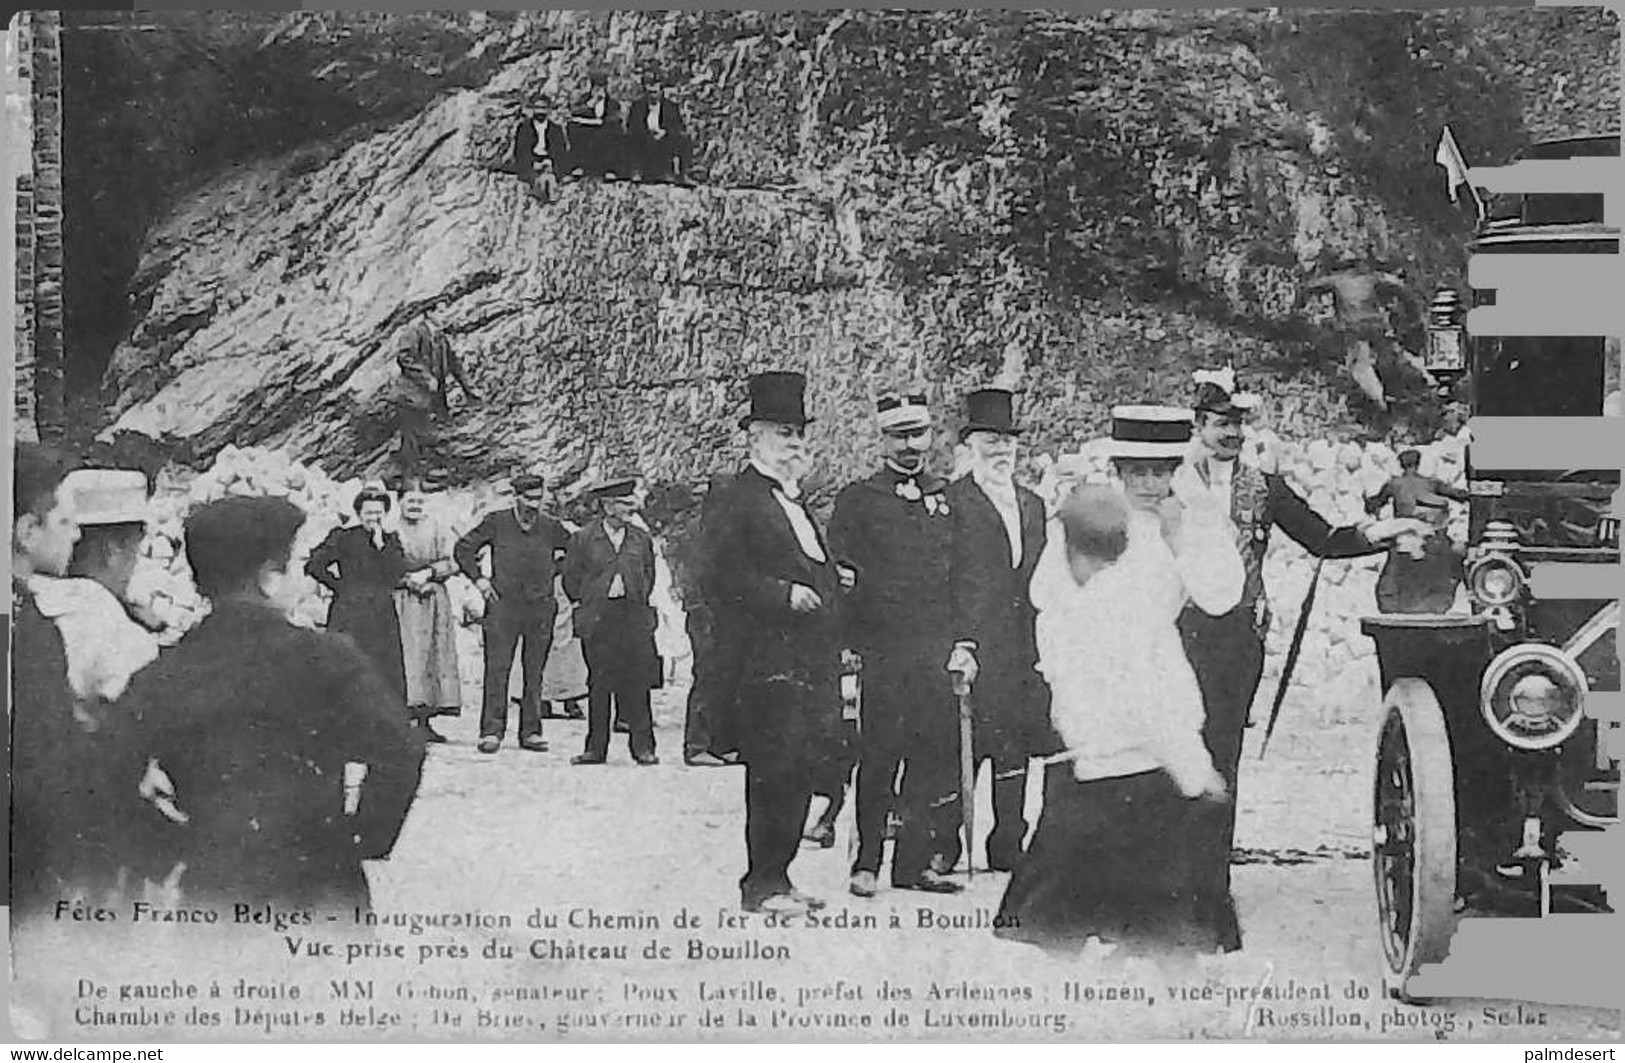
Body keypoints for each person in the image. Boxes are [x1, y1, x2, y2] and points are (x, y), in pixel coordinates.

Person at [1173, 367, 1413, 950]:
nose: (1230, 433)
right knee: (1167, 748)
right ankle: (1161, 878)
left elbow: (1323, 537)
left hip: (1235, 639)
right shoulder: (1169, 481)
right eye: (1219, 423)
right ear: (1199, 425)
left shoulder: (1263, 485)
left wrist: (1383, 531)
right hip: (1169, 632)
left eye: (1238, 424)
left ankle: (1209, 882)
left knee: (1222, 754)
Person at [997, 408, 1240, 955]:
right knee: (1078, 841)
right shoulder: (1090, 523)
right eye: (1138, 472)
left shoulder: (1193, 521)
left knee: (1165, 846)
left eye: (1162, 472)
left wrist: (1183, 539)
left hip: (1155, 672)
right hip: (1097, 684)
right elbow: (1047, 601)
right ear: (1119, 470)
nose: (1151, 485)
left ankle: (1152, 954)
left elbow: (1221, 597)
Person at [123, 497, 425, 916]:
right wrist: (363, 837)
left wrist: (175, 842)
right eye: (293, 565)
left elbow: (105, 773)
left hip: (215, 886)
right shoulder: (328, 658)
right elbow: (402, 748)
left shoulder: (166, 671)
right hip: (321, 884)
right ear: (269, 577)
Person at [699, 371, 846, 914]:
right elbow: (714, 577)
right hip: (763, 661)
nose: (795, 443)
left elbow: (815, 568)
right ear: (752, 437)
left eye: (800, 433)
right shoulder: (734, 498)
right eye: (784, 432)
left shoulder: (797, 504)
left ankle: (780, 877)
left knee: (801, 768)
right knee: (773, 771)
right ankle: (759, 885)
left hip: (808, 660)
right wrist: (783, 594)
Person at [827, 393, 962, 897]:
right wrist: (849, 642)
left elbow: (962, 576)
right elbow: (842, 576)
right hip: (883, 651)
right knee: (879, 755)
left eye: (918, 434)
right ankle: (866, 863)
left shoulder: (948, 498)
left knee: (931, 758)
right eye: (899, 436)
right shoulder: (859, 499)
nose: (910, 446)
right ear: (882, 439)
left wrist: (962, 643)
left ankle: (914, 864)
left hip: (936, 648)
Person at [941, 388, 1049, 874]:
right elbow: (943, 577)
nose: (1000, 450)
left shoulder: (1032, 503)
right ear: (968, 447)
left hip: (1020, 646)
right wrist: (958, 640)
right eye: (989, 440)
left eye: (1007, 441)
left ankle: (1008, 843)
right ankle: (945, 843)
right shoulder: (950, 501)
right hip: (971, 643)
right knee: (957, 746)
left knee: (1013, 748)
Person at [9, 442, 106, 920]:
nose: (78, 533)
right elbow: (42, 768)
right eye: (66, 522)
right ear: (27, 530)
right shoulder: (28, 629)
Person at [454, 473, 572, 754]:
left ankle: (531, 731)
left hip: (541, 606)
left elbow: (576, 551)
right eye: (528, 498)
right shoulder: (497, 522)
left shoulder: (551, 526)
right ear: (515, 497)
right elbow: (464, 549)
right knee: (497, 668)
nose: (534, 504)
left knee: (535, 671)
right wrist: (480, 580)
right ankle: (491, 731)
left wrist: (556, 572)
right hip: (503, 605)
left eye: (538, 498)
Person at [563, 475, 661, 766]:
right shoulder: (583, 538)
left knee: (638, 681)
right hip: (599, 619)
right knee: (599, 683)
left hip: (632, 616)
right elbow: (571, 579)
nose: (631, 506)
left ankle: (643, 748)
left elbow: (649, 574)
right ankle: (595, 749)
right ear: (607, 506)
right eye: (623, 502)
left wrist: (636, 595)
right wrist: (590, 602)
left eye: (630, 501)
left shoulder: (640, 538)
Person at [305, 484, 409, 702]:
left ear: (385, 514)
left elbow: (397, 572)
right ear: (359, 513)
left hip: (381, 611)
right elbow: (315, 564)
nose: (374, 518)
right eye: (369, 513)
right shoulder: (343, 537)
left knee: (383, 665)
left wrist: (381, 546)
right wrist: (340, 587)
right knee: (346, 661)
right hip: (349, 610)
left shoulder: (390, 540)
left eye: (378, 513)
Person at [1302, 259, 1428, 412]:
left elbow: (1309, 286)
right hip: (1376, 324)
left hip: (1353, 328)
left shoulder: (1336, 280)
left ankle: (1379, 400)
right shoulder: (1373, 278)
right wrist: (1413, 315)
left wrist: (1299, 303)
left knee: (1360, 365)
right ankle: (1401, 386)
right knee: (1388, 355)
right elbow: (1401, 288)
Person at [392, 477, 464, 742]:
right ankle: (400, 718)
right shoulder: (390, 529)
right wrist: (406, 579)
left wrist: (431, 573)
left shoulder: (438, 526)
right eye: (410, 501)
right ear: (399, 503)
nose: (415, 506)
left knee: (431, 654)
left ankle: (425, 719)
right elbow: (382, 562)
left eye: (420, 501)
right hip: (400, 598)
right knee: (404, 654)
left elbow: (454, 560)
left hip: (432, 598)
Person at [680, 473, 742, 767]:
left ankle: (723, 742)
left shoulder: (729, 529)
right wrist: (699, 608)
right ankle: (696, 745)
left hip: (729, 615)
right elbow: (691, 577)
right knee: (707, 677)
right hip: (704, 614)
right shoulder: (699, 531)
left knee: (730, 678)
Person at [390, 311, 482, 479]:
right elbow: (405, 357)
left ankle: (427, 480)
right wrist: (426, 378)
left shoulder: (441, 339)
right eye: (441, 311)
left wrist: (470, 391)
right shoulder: (413, 332)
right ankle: (408, 483)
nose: (446, 315)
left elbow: (455, 365)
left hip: (434, 400)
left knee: (435, 441)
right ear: (429, 313)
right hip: (411, 398)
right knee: (412, 445)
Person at [1365, 448, 1468, 527]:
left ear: (1401, 465)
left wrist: (1367, 501)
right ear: (1418, 464)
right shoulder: (1431, 482)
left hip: (1401, 524)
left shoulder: (1393, 484)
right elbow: (1457, 494)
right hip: (1427, 524)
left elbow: (1375, 504)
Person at [626, 72, 694, 185]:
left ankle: (681, 174)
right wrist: (648, 133)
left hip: (665, 138)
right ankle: (637, 171)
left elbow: (677, 126)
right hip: (643, 138)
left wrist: (664, 132)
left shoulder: (670, 107)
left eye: (655, 92)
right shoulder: (638, 106)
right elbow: (633, 125)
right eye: (650, 92)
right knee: (632, 140)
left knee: (683, 140)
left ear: (661, 92)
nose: (653, 96)